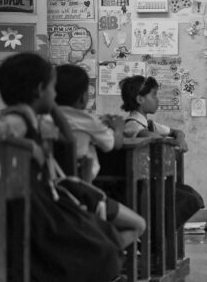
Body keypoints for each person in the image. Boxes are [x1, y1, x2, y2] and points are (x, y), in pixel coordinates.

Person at [0, 53, 122, 282]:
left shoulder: (35, 118)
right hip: (32, 207)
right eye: (53, 89)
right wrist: (25, 143)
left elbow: (66, 140)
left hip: (44, 201)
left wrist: (51, 106)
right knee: (97, 248)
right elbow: (0, 130)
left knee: (104, 238)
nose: (56, 94)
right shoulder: (17, 119)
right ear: (40, 89)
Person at [55, 64, 146, 248]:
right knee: (138, 225)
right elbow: (113, 144)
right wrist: (117, 127)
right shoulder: (87, 121)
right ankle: (102, 257)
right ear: (82, 98)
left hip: (49, 190)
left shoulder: (40, 120)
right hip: (81, 192)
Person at [119, 75, 203, 227]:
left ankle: (159, 233)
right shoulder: (133, 126)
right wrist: (176, 143)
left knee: (191, 195)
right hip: (139, 186)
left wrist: (180, 139)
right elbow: (158, 140)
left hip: (151, 181)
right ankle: (157, 236)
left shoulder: (148, 123)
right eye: (154, 95)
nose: (157, 100)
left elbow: (177, 132)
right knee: (187, 199)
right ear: (140, 99)